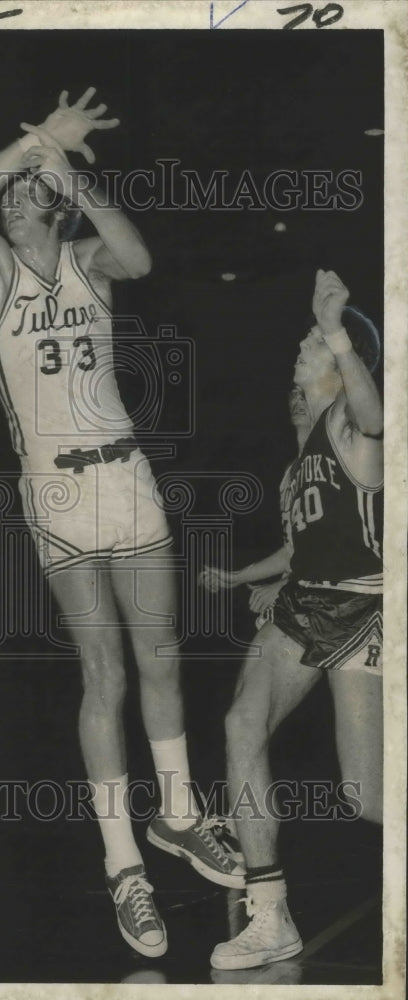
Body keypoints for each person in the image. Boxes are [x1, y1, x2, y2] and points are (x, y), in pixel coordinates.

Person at [0, 88, 243, 958]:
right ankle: (124, 867)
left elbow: (140, 258)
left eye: (28, 187)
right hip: (59, 492)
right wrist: (39, 137)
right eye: (15, 190)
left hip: (125, 470)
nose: (18, 195)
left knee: (163, 658)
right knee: (103, 671)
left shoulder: (84, 261)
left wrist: (70, 173)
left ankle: (180, 816)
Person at [211, 270, 383, 971]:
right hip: (303, 601)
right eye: (311, 338)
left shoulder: (353, 426)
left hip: (362, 606)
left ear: (346, 366)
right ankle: (268, 911)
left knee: (364, 795)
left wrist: (337, 330)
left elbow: (378, 419)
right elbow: (297, 547)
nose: (303, 345)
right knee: (239, 724)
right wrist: (249, 578)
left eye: (315, 343)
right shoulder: (298, 463)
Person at [200, 386, 312, 629]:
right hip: (301, 593)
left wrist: (286, 586)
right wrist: (237, 577)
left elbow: (345, 541)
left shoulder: (338, 461)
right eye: (294, 392)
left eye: (306, 393)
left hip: (334, 599)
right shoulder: (290, 471)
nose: (298, 399)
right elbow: (294, 549)